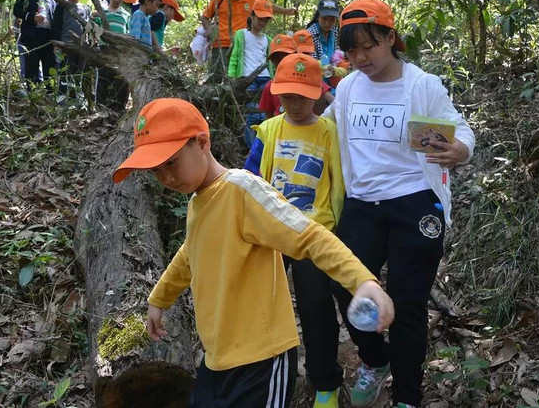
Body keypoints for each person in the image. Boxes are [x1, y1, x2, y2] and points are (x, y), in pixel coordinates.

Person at [112, 97, 395, 408]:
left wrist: (363, 282)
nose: (166, 178)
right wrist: (160, 298)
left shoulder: (243, 191)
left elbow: (310, 235)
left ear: (202, 142)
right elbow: (189, 252)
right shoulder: (198, 201)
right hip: (217, 358)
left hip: (262, 359)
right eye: (156, 171)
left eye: (171, 162)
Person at [324, 0, 475, 408]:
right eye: (352, 50)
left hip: (415, 201)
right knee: (347, 285)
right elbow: (328, 131)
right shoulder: (349, 87)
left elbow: (459, 129)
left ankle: (408, 395)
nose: (360, 58)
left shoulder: (419, 85)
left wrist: (459, 149)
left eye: (369, 46)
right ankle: (375, 359)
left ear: (391, 38)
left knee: (408, 304)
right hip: (362, 203)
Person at [244, 53, 345, 408]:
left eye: (303, 96)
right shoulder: (269, 130)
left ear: (318, 93)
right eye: (287, 96)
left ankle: (325, 383)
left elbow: (341, 183)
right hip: (272, 232)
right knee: (262, 306)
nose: (295, 103)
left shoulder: (330, 133)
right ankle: (263, 378)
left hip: (313, 234)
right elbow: (251, 179)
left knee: (316, 307)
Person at [200, 0, 296, 80]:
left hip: (241, 46)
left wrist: (286, 11)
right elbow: (205, 17)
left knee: (238, 79)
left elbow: (268, 7)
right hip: (220, 45)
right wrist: (209, 29)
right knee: (218, 79)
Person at [227, 0, 274, 147]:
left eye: (266, 20)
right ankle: (251, 147)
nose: (262, 23)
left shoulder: (268, 39)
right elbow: (235, 56)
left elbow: (270, 61)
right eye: (260, 19)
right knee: (250, 113)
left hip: (265, 78)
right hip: (247, 77)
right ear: (252, 16)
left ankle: (263, 147)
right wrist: (231, 77)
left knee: (264, 113)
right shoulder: (241, 35)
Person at [13, 0, 58, 87]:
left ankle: (50, 93)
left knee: (50, 66)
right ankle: (33, 94)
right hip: (31, 36)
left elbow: (55, 18)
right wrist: (32, 17)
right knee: (31, 67)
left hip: (48, 38)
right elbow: (17, 11)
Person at [51, 0, 91, 94]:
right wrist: (56, 44)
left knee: (77, 74)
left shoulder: (85, 8)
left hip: (80, 47)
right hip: (64, 45)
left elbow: (87, 28)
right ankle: (62, 99)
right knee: (64, 73)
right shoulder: (62, 6)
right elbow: (56, 25)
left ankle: (75, 99)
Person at [95, 0, 130, 111]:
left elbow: (128, 34)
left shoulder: (125, 15)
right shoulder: (102, 14)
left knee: (120, 78)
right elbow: (94, 32)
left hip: (120, 52)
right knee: (103, 77)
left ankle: (119, 107)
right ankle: (101, 106)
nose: (117, 0)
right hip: (104, 50)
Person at [258, 34, 297, 118]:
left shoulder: (306, 81)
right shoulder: (270, 87)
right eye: (276, 59)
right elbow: (268, 117)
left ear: (295, 55)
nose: (281, 62)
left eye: (285, 57)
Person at [306, 0, 340, 65]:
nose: (327, 23)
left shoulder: (334, 31)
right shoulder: (310, 34)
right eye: (324, 19)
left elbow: (335, 52)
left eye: (332, 19)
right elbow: (312, 61)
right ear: (318, 16)